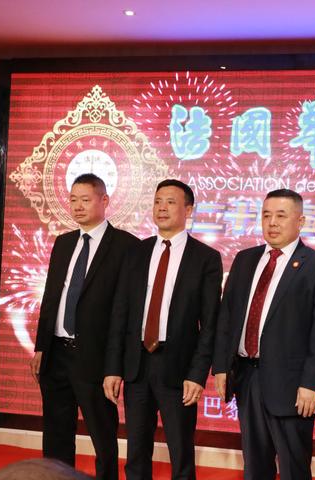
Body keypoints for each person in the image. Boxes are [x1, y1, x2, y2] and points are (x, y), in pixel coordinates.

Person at [212, 189, 315, 480]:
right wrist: (221, 367)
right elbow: (227, 317)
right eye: (266, 215)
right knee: (255, 466)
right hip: (247, 378)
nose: (272, 222)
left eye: (281, 216)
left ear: (300, 221)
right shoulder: (245, 259)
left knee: (294, 468)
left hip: (293, 388)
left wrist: (312, 384)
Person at [103, 179, 222, 480]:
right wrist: (113, 368)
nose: (162, 208)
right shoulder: (136, 252)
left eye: (170, 202)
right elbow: (120, 314)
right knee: (136, 452)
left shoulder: (205, 258)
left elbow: (210, 324)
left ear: (188, 210)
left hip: (178, 369)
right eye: (157, 201)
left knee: (180, 454)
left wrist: (197, 374)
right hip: (137, 366)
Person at [29, 173, 138, 480]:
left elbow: (126, 311)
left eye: (85, 200)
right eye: (73, 199)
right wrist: (41, 346)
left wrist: (115, 365)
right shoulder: (64, 243)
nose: (77, 206)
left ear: (104, 200)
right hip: (56, 354)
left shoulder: (126, 246)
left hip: (96, 357)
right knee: (56, 433)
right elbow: (51, 298)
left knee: (102, 435)